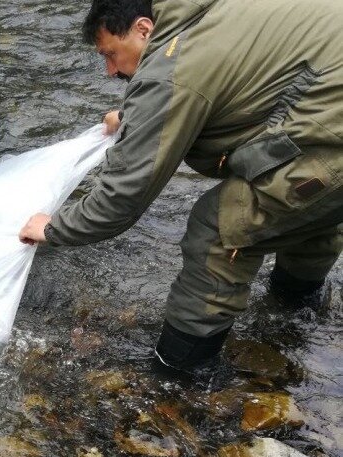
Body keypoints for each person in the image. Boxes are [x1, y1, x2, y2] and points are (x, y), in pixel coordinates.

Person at [18, 0, 342, 371]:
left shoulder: (171, 68)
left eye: (111, 54)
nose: (110, 71)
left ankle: (182, 372)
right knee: (307, 201)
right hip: (328, 103)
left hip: (333, 130)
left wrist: (54, 228)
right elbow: (243, 83)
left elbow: (123, 195)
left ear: (144, 29)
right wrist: (132, 118)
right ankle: (297, 309)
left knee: (222, 225)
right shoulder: (206, 15)